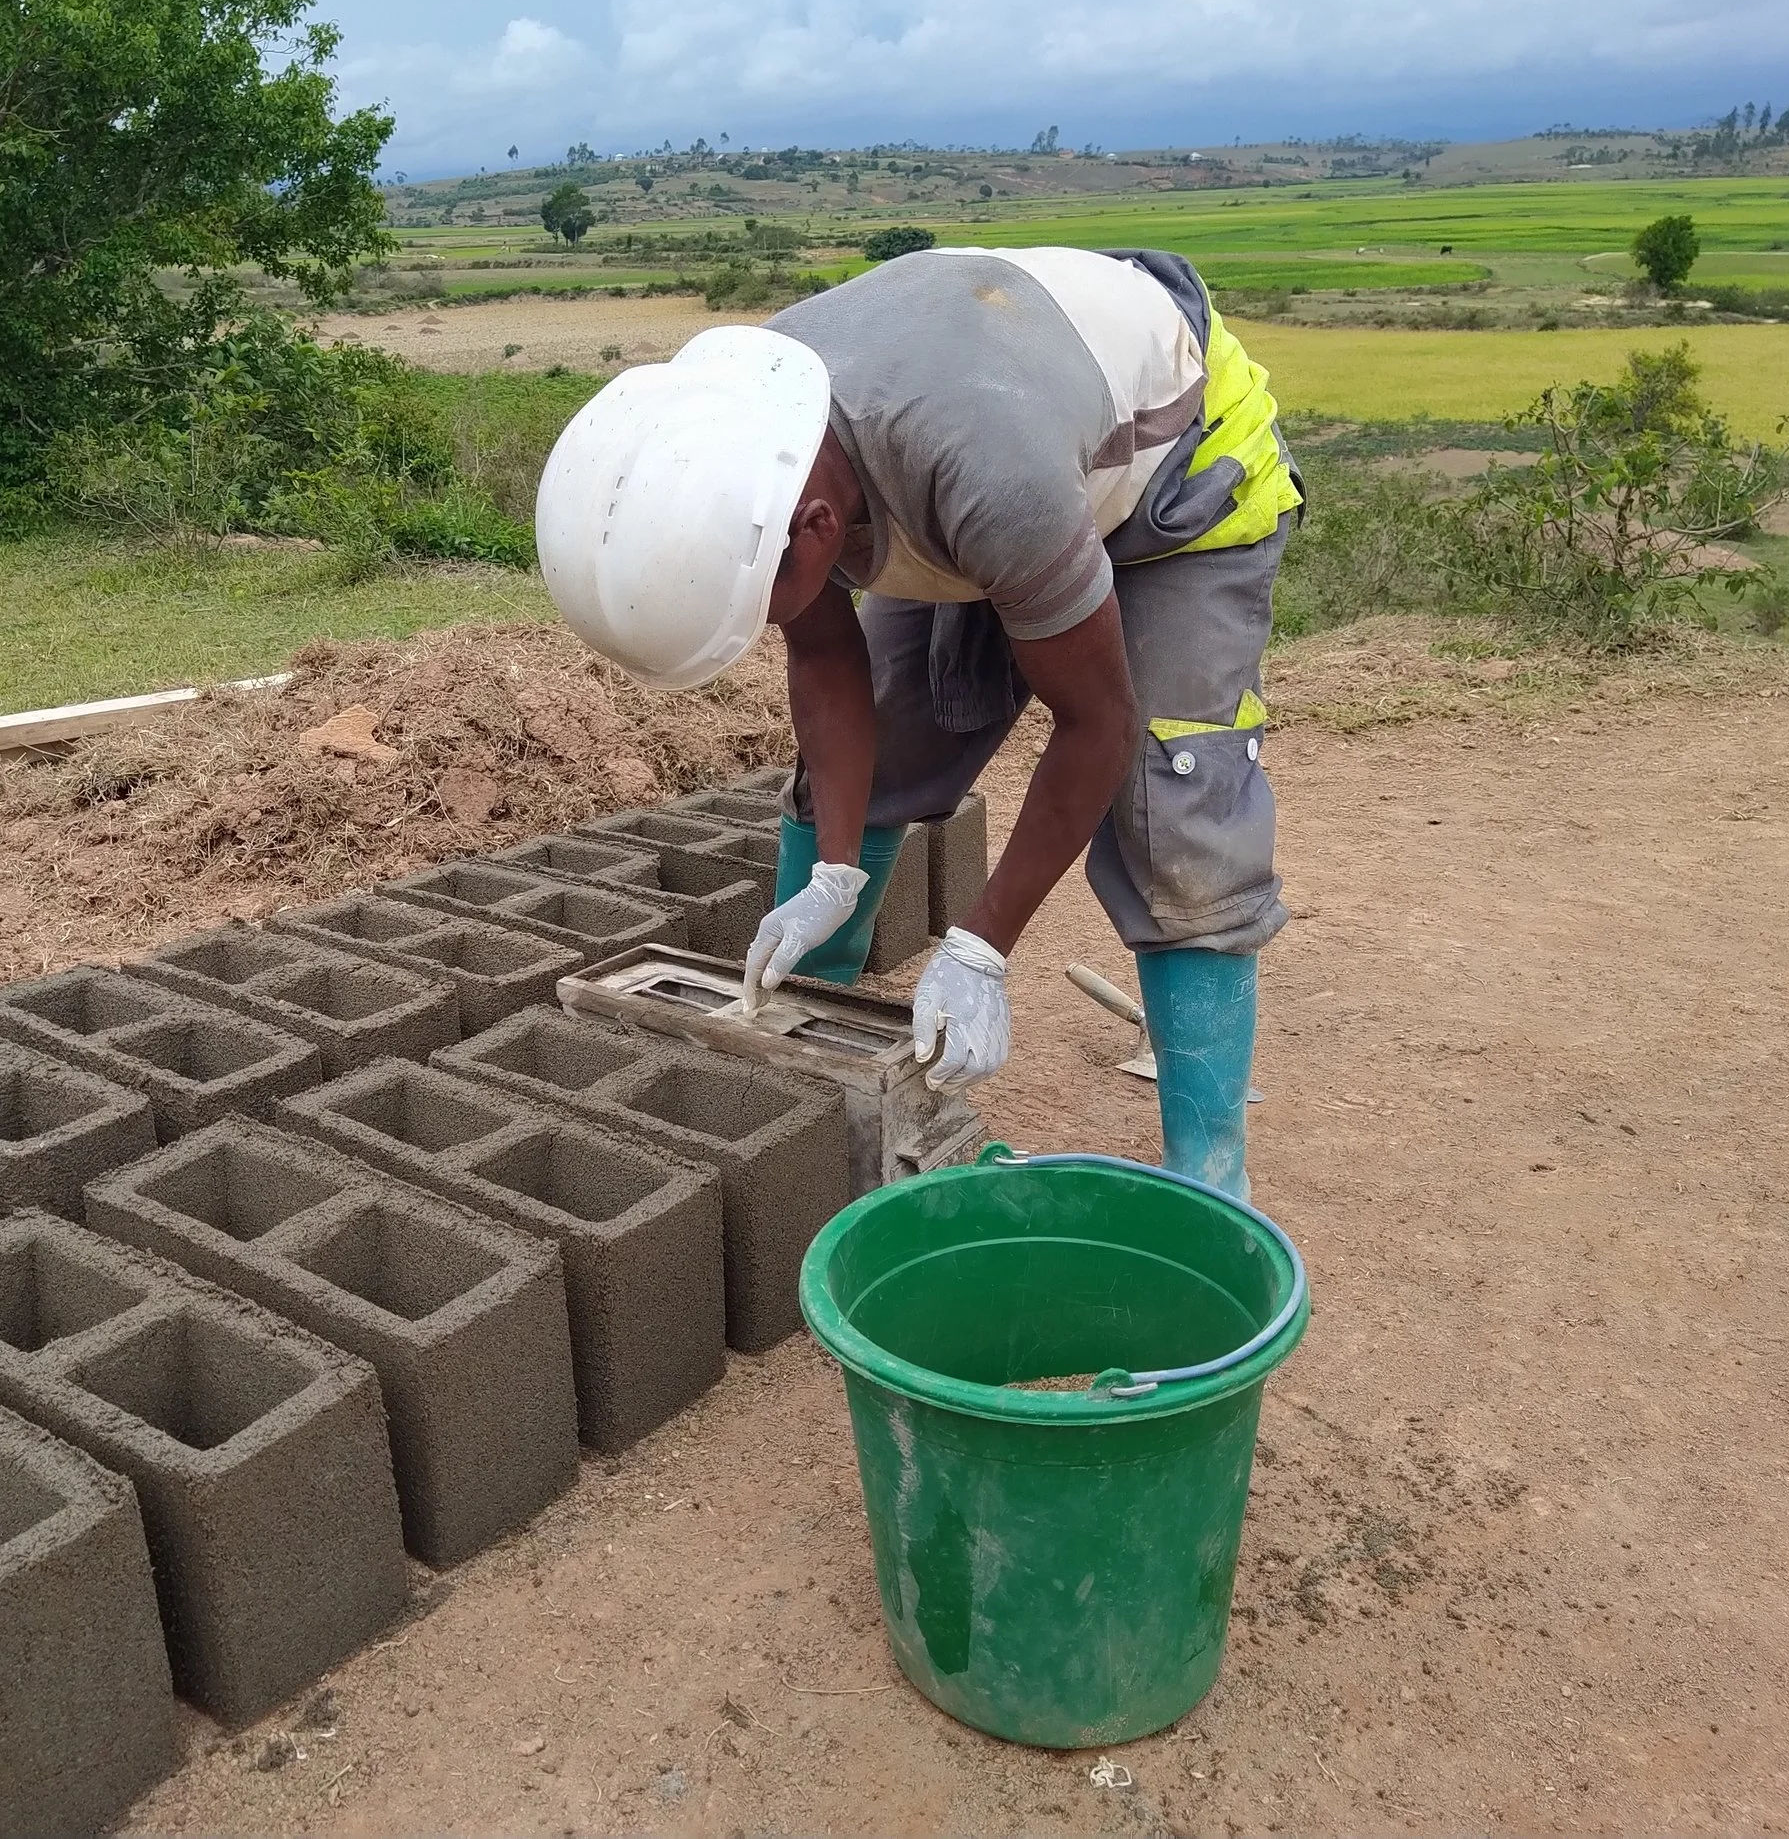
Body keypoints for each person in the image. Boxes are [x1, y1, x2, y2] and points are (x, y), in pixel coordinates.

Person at [534, 246, 1300, 1198]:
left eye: (760, 608)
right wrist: (833, 870)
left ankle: (1210, 1178)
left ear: (817, 531)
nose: (769, 625)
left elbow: (1097, 720)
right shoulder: (750, 439)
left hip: (1172, 477)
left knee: (1171, 806)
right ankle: (812, 1054)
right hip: (976, 451)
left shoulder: (986, 477)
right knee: (893, 739)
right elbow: (825, 655)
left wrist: (981, 947)